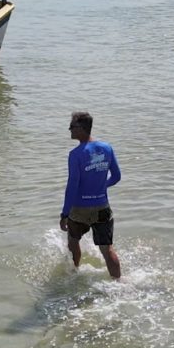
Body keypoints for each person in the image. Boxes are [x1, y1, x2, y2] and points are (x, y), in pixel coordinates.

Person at [60, 111, 123, 276]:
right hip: (102, 207)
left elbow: (72, 186)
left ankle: (74, 275)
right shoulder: (107, 148)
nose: (69, 130)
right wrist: (102, 187)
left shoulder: (75, 154)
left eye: (72, 126)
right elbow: (116, 176)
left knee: (73, 242)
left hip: (79, 209)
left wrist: (64, 214)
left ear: (81, 128)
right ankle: (119, 283)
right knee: (107, 249)